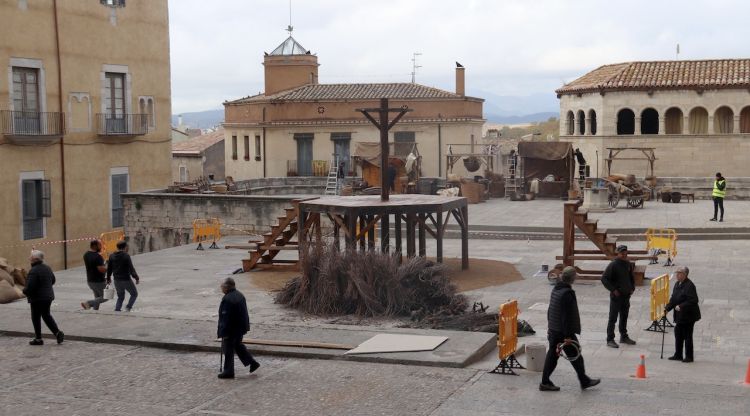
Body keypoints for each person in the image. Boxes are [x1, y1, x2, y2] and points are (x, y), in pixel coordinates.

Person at [540, 266, 600, 391]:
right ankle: (584, 381)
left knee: (552, 356)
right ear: (572, 278)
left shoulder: (556, 289)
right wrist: (567, 336)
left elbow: (550, 310)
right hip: (563, 332)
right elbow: (566, 317)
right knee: (576, 355)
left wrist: (549, 326)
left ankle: (545, 382)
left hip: (554, 329)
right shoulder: (567, 294)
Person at [217, 277, 260, 379]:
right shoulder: (239, 295)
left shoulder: (227, 299)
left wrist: (222, 332)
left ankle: (228, 371)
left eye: (222, 287)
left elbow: (225, 317)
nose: (221, 289)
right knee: (238, 345)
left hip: (231, 328)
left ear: (226, 287)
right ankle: (252, 363)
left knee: (228, 349)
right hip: (240, 327)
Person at [22, 250, 64, 345]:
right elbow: (53, 280)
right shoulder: (47, 267)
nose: (29, 258)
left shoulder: (34, 271)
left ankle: (38, 339)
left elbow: (30, 287)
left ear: (35, 259)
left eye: (31, 257)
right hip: (48, 296)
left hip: (37, 298)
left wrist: (24, 291)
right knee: (46, 315)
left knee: (36, 317)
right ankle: (57, 333)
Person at [601, 245, 637, 348]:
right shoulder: (613, 265)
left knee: (624, 316)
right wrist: (613, 290)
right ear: (618, 253)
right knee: (613, 318)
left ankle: (623, 336)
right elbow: (604, 279)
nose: (624, 255)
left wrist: (632, 288)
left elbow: (631, 277)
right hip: (616, 297)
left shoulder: (628, 264)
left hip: (626, 296)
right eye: (622, 253)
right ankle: (610, 339)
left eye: (625, 253)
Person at [665, 266, 701, 363]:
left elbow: (694, 300)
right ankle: (678, 354)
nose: (677, 275)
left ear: (685, 275)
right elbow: (674, 298)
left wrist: (681, 306)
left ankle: (689, 356)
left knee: (687, 335)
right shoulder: (677, 284)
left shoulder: (689, 285)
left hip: (689, 316)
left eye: (679, 273)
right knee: (678, 333)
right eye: (677, 273)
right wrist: (667, 308)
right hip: (680, 315)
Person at [106, 240, 139, 312]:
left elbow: (109, 269)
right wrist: (136, 277)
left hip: (117, 280)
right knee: (134, 294)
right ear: (125, 247)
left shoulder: (111, 256)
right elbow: (131, 268)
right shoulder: (126, 256)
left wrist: (108, 278)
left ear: (117, 247)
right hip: (126, 279)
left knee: (120, 296)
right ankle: (128, 307)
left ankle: (117, 309)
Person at [81, 240, 108, 310]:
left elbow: (93, 265)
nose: (101, 246)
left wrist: (103, 264)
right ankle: (88, 303)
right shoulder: (98, 257)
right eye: (99, 245)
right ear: (94, 246)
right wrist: (109, 268)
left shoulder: (86, 254)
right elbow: (101, 269)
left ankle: (95, 311)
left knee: (97, 297)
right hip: (99, 281)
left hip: (90, 280)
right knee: (107, 296)